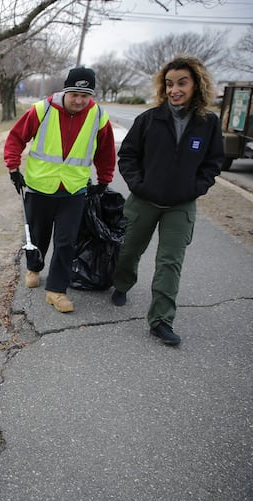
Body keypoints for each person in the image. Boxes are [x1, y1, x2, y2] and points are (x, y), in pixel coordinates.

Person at [110, 55, 223, 346]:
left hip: (180, 205)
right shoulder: (149, 119)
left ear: (197, 84)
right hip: (144, 201)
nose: (175, 90)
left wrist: (194, 189)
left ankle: (161, 321)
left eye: (182, 83)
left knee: (170, 262)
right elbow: (128, 156)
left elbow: (213, 163)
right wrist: (139, 184)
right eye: (170, 84)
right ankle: (122, 285)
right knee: (129, 250)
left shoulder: (208, 123)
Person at [3, 66, 116, 313]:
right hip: (39, 187)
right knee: (37, 236)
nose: (79, 100)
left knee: (66, 242)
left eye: (84, 96)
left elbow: (106, 151)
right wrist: (13, 168)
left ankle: (56, 290)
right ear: (65, 90)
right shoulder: (42, 110)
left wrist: (104, 180)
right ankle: (34, 268)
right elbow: (16, 138)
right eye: (75, 94)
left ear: (91, 96)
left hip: (73, 190)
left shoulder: (98, 116)